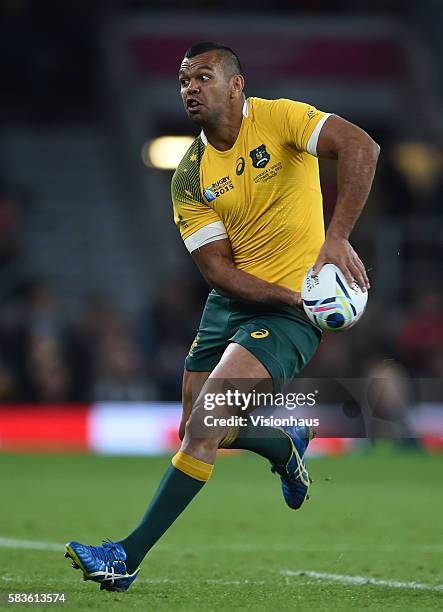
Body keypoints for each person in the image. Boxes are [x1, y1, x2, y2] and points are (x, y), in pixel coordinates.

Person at [65, 41, 379, 592]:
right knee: (195, 427)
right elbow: (218, 272)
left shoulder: (280, 118)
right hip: (241, 302)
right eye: (183, 79)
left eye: (202, 76)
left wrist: (336, 239)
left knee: (206, 425)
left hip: (289, 318)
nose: (189, 87)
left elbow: (362, 145)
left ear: (236, 84)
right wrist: (290, 296)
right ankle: (281, 444)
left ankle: (125, 556)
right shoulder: (188, 176)